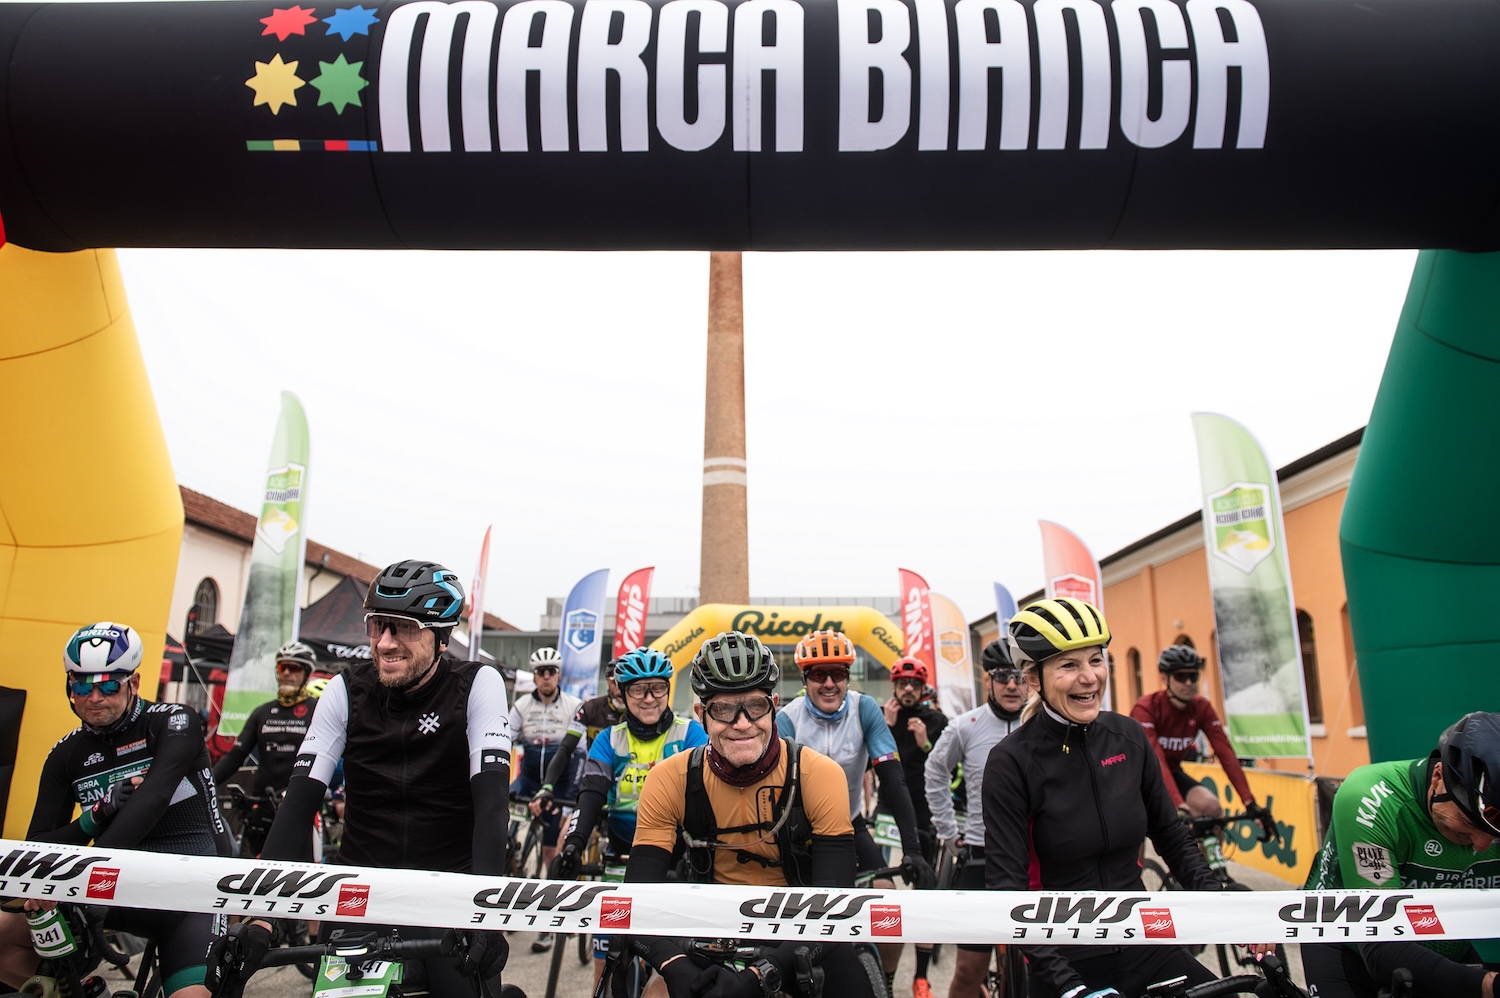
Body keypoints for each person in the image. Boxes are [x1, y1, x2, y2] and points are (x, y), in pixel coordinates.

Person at [240, 559, 513, 996]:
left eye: (402, 628)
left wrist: (486, 915)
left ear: (441, 638)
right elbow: (298, 803)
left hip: (449, 890)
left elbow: (493, 804)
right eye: (376, 626)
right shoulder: (345, 690)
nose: (384, 642)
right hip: (361, 890)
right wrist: (261, 914)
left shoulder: (477, 684)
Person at [623, 630, 884, 998]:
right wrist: (672, 964)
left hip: (804, 930)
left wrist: (761, 976)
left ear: (774, 705)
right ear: (701, 715)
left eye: (755, 706)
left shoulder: (819, 774)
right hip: (709, 933)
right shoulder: (669, 778)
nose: (742, 723)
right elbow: (635, 900)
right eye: (723, 709)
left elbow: (836, 901)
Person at [985, 598, 1222, 998]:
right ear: (1033, 678)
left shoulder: (1128, 737)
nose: (1089, 677)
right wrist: (1069, 987)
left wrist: (1232, 914)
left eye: (1096, 660)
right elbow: (1007, 889)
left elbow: (1172, 837)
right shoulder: (1011, 761)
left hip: (1143, 939)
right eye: (1068, 665)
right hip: (1063, 954)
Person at [0, 622, 231, 998]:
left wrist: (83, 882)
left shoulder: (173, 721)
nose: (94, 697)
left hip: (189, 889)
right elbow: (38, 845)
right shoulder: (66, 754)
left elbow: (152, 801)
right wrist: (95, 816)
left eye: (109, 686)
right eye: (81, 686)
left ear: (134, 682)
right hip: (112, 889)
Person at [775, 629, 935, 994]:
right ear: (805, 679)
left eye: (838, 673)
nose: (829, 683)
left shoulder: (865, 710)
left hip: (849, 823)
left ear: (848, 676)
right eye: (819, 674)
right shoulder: (788, 719)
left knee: (888, 900)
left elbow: (893, 779)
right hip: (800, 831)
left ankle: (885, 983)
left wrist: (912, 849)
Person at [1302, 711, 1500, 998]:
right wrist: (1487, 985)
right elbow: (1380, 945)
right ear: (1438, 778)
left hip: (1443, 945)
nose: (1482, 845)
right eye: (1467, 826)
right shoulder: (1370, 798)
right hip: (1348, 947)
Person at [550, 646, 707, 985]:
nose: (649, 698)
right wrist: (574, 843)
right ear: (622, 694)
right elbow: (591, 795)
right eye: (638, 689)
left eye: (657, 688)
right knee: (607, 960)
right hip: (620, 851)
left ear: (668, 689)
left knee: (670, 966)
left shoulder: (691, 733)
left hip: (676, 856)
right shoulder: (609, 739)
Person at [925, 640, 1025, 998]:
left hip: (1032, 855)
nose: (1012, 685)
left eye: (1019, 676)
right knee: (969, 970)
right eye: (1002, 676)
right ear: (988, 681)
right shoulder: (965, 726)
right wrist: (948, 830)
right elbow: (935, 770)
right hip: (982, 854)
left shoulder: (1041, 722)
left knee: (1035, 966)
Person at [1131, 644, 1277, 864]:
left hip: (1172, 773)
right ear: (1165, 678)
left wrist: (1249, 802)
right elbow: (1156, 761)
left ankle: (1205, 868)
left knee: (1211, 808)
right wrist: (1179, 805)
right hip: (1138, 777)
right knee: (1134, 833)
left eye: (1193, 676)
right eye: (1181, 676)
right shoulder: (1146, 708)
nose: (1189, 683)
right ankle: (1135, 879)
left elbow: (1226, 754)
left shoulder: (1201, 707)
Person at [210, 640, 320, 855]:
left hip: (299, 804)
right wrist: (207, 783)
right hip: (261, 804)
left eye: (294, 668)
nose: (286, 673)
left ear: (306, 674)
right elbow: (235, 756)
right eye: (282, 667)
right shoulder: (262, 712)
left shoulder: (317, 710)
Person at [509, 645, 582, 952]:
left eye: (551, 671)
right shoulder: (522, 705)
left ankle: (549, 926)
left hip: (560, 785)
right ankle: (511, 867)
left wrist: (574, 796)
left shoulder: (574, 705)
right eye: (541, 672)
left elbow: (580, 752)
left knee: (552, 854)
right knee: (503, 836)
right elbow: (504, 739)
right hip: (528, 779)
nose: (546, 676)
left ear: (559, 674)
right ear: (535, 676)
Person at [883, 656, 948, 998]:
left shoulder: (936, 720)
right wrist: (887, 728)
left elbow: (950, 770)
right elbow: (870, 764)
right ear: (894, 686)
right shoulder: (883, 717)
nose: (908, 689)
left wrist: (926, 744)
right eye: (902, 683)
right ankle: (885, 972)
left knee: (925, 892)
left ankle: (921, 977)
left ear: (923, 689)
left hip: (924, 811)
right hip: (887, 808)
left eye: (915, 684)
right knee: (881, 885)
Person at [531, 656, 627, 811]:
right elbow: (566, 748)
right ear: (608, 683)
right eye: (615, 682)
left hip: (627, 783)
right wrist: (547, 786)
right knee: (570, 826)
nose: (620, 689)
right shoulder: (590, 708)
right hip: (596, 778)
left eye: (625, 684)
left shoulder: (640, 711)